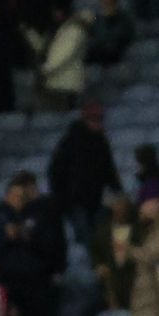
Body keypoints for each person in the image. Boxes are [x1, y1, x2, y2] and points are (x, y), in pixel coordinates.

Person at [48, 102, 122, 247]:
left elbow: (108, 169)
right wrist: (62, 197)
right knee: (85, 239)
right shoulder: (71, 142)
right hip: (74, 202)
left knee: (99, 237)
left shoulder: (101, 142)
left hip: (95, 200)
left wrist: (117, 190)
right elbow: (55, 172)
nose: (99, 124)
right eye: (95, 120)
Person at [85, 0, 135, 67]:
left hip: (115, 51)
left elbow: (124, 35)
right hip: (98, 51)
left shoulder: (124, 17)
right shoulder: (96, 18)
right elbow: (91, 35)